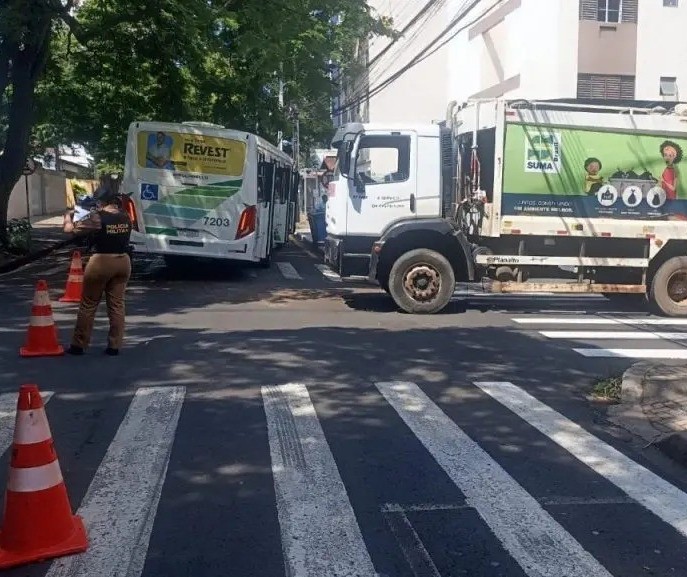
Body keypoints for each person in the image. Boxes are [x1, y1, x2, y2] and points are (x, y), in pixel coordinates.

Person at [62, 184, 133, 356]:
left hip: (101, 261)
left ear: (101, 202)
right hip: (123, 261)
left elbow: (70, 230)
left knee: (88, 304)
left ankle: (79, 345)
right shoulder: (126, 216)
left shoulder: (97, 217)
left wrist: (67, 217)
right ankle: (114, 346)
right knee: (117, 305)